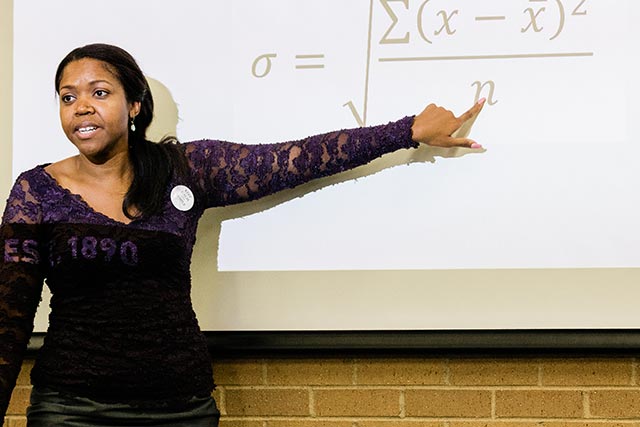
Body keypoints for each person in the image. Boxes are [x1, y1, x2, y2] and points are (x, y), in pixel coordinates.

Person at [0, 43, 485, 426]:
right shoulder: (37, 190)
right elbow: (9, 316)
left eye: (99, 92)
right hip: (72, 409)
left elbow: (293, 158)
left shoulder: (185, 169)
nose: (81, 107)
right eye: (68, 97)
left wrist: (407, 131)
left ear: (135, 105)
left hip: (180, 407)